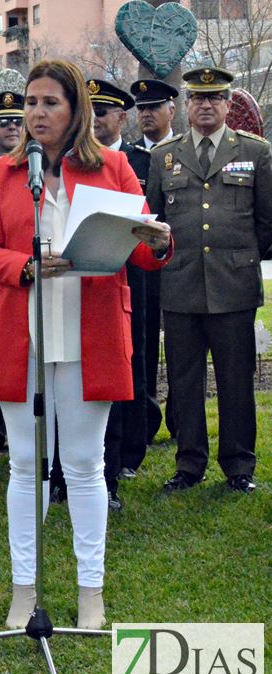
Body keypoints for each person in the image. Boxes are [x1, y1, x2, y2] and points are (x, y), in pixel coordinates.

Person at [0, 60, 172, 628]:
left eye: (49, 103)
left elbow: (139, 249)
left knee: (84, 465)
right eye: (31, 102)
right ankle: (23, 589)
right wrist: (26, 265)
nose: (35, 113)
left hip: (91, 333)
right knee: (27, 466)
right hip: (22, 335)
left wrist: (156, 242)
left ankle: (91, 592)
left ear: (75, 110)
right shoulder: (5, 173)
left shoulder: (113, 168)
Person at [146, 66, 272, 496]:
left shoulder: (256, 153)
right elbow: (154, 221)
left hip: (233, 286)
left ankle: (239, 466)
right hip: (180, 286)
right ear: (185, 105)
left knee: (236, 380)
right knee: (183, 380)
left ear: (227, 103)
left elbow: (266, 222)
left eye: (215, 98)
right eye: (197, 98)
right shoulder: (164, 156)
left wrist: (240, 256)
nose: (205, 105)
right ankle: (189, 464)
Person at [88, 78, 152, 511]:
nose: (94, 121)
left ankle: (125, 455)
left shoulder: (134, 162)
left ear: (121, 118)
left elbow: (151, 218)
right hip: (79, 280)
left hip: (131, 275)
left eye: (102, 113)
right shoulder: (62, 162)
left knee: (131, 365)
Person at [130, 78, 180, 445]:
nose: (147, 114)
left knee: (183, 348)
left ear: (171, 110)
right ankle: (144, 420)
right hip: (143, 265)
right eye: (142, 108)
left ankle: (181, 421)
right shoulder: (130, 159)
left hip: (184, 264)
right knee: (143, 344)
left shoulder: (186, 152)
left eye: (154, 107)